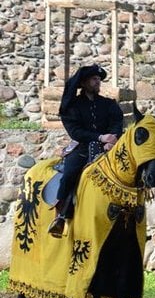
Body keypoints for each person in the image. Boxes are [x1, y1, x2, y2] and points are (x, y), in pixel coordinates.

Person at [48, 64, 124, 237]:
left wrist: (112, 139)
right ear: (84, 82)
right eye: (94, 79)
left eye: (99, 79)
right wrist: (99, 137)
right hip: (82, 148)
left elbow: (117, 122)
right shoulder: (73, 106)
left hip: (109, 148)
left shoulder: (108, 104)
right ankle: (61, 216)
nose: (98, 82)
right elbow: (75, 131)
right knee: (68, 175)